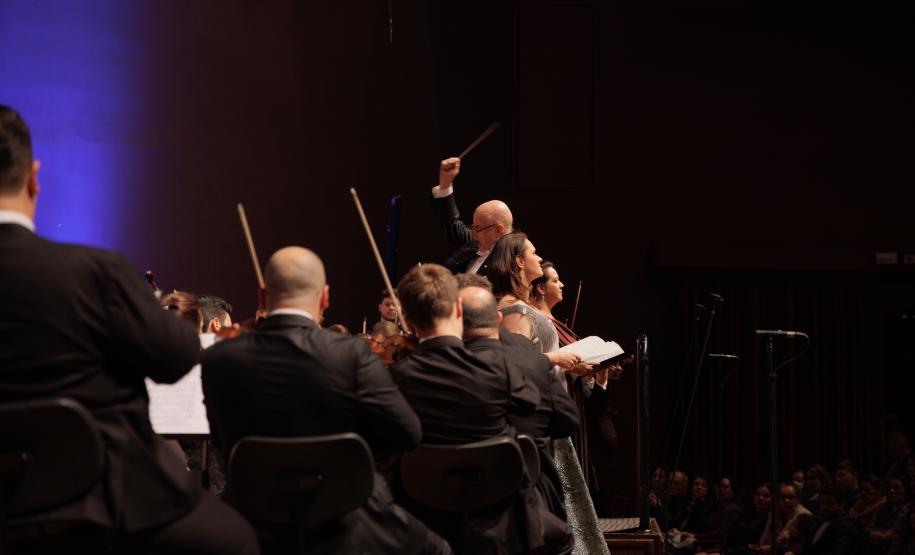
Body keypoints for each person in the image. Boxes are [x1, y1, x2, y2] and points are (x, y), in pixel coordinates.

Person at [0, 105, 258, 554]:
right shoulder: (95, 272)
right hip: (97, 504)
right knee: (236, 541)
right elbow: (177, 356)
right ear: (34, 178)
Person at [202, 246, 449, 555]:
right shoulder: (352, 354)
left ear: (263, 297)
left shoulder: (219, 358)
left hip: (252, 516)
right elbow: (408, 432)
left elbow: (220, 440)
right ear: (325, 298)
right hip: (342, 517)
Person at [391, 263, 574, 554]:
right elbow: (531, 406)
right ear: (458, 311)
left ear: (409, 321)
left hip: (424, 520)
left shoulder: (396, 379)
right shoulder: (500, 371)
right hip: (499, 521)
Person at [486, 233, 609, 554]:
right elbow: (517, 362)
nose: (539, 258)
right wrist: (557, 359)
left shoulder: (522, 306)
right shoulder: (512, 310)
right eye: (533, 253)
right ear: (518, 261)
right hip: (538, 418)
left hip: (549, 411)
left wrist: (569, 366)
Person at [457, 279, 579, 521]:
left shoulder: (441, 368)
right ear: (499, 320)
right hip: (529, 505)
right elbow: (569, 421)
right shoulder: (534, 363)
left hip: (457, 504)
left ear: (455, 322)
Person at [430, 157, 513, 275]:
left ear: (499, 230)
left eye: (478, 228)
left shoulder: (513, 261)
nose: (473, 233)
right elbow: (451, 223)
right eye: (473, 227)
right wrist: (445, 183)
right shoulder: (475, 243)